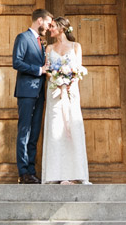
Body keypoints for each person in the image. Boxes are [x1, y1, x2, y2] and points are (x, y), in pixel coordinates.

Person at [40, 16, 89, 184]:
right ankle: (55, 175)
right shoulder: (49, 48)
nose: (50, 29)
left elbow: (78, 69)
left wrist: (69, 81)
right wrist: (57, 79)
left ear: (61, 28)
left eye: (52, 26)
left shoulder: (76, 47)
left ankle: (75, 175)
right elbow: (47, 70)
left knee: (72, 127)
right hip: (54, 92)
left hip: (70, 92)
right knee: (55, 129)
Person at [12, 8, 52, 184]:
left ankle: (31, 171)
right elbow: (17, 62)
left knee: (34, 133)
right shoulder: (23, 38)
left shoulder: (40, 42)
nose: (49, 27)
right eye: (48, 23)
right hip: (26, 92)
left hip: (40, 93)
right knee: (24, 131)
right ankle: (23, 173)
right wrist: (38, 70)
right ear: (40, 21)